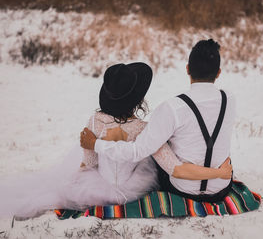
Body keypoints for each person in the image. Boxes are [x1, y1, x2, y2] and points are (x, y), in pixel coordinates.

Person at [0, 62, 232, 219]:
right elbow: (174, 168)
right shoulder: (143, 128)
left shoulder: (94, 121)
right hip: (131, 190)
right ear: (137, 100)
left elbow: (89, 162)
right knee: (152, 160)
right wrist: (218, 173)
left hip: (97, 188)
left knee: (86, 156)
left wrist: (73, 181)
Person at [80, 39, 236, 202]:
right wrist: (219, 173)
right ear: (218, 72)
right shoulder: (230, 99)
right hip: (221, 187)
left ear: (188, 69)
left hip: (184, 189)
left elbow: (141, 154)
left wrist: (95, 144)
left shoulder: (172, 107)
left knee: (158, 142)